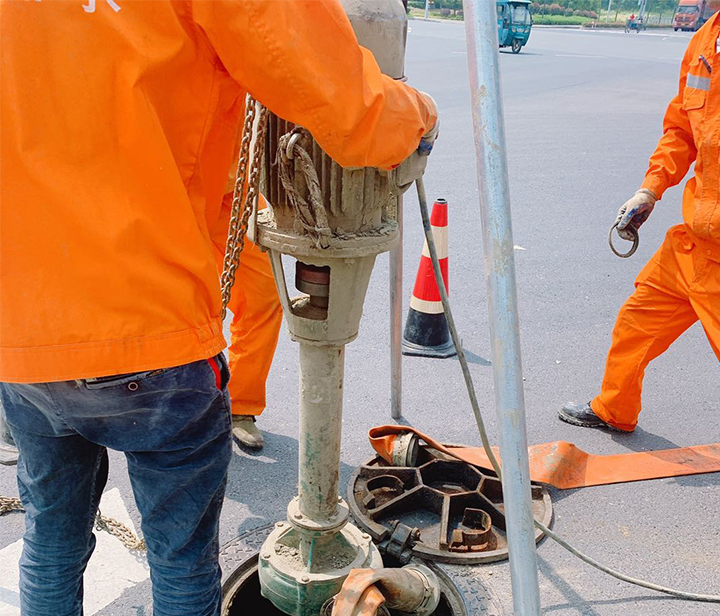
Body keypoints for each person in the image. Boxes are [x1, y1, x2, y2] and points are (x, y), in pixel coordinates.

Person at [0, 2, 438, 615]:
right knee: (179, 563)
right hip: (153, 328)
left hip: (23, 335)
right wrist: (417, 115)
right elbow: (344, 101)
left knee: (49, 542)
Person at [560, 9, 720, 433]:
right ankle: (615, 407)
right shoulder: (705, 41)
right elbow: (682, 129)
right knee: (637, 321)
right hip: (694, 244)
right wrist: (651, 190)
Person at [211, 162, 283, 450]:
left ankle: (240, 402)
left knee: (262, 299)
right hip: (165, 188)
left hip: (233, 186)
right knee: (173, 300)